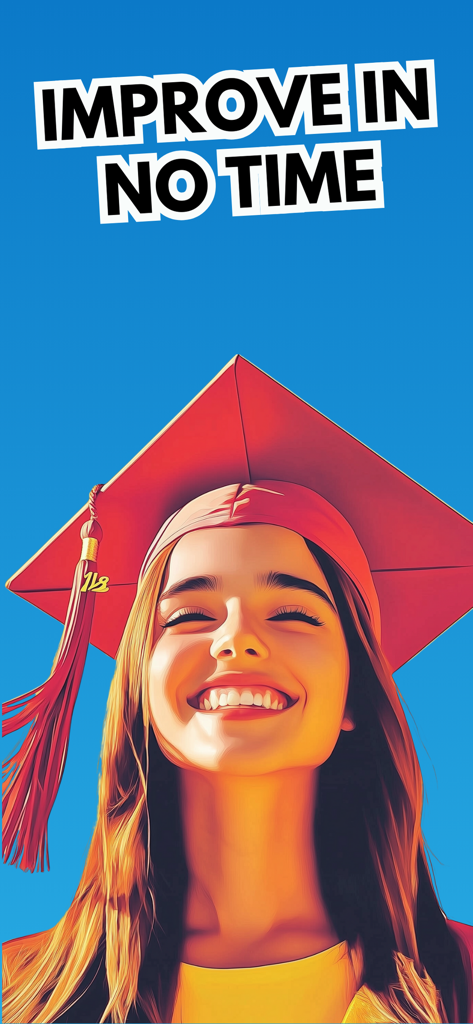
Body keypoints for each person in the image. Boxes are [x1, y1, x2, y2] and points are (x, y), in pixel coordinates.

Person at [2, 358, 473, 1024]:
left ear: (354, 699)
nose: (234, 640)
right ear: (139, 685)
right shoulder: (17, 992)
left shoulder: (459, 984)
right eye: (189, 615)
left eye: (292, 614)